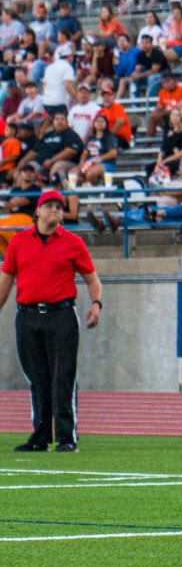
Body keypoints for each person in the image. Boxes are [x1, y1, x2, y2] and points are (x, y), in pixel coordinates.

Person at [1, 189, 102, 453]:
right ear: (38, 211)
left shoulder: (72, 242)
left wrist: (96, 303)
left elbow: (92, 278)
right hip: (27, 315)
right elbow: (7, 279)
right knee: (37, 377)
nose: (56, 211)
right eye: (50, 206)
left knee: (63, 375)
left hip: (61, 315)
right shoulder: (19, 242)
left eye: (59, 207)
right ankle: (40, 436)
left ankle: (67, 437)